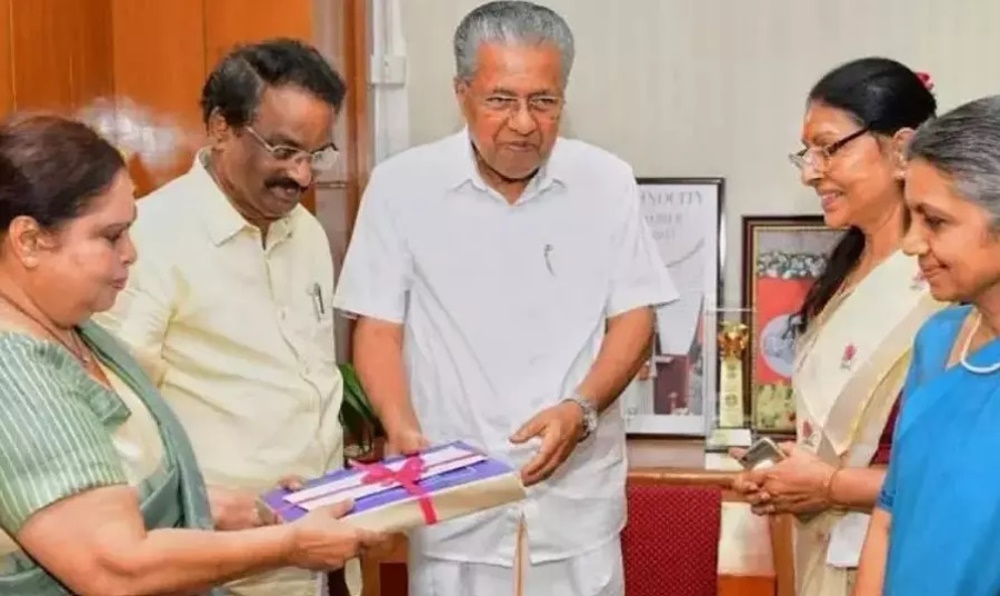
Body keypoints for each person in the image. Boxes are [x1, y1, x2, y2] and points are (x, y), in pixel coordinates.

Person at [333, 2, 677, 595]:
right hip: (455, 500)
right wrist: (401, 428)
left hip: (576, 503)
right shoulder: (401, 187)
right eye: (500, 100)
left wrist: (582, 408)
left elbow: (634, 316)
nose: (523, 122)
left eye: (543, 101)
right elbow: (378, 328)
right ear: (462, 93)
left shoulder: (606, 181)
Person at [0, 114, 385, 595]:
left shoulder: (71, 328)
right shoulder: (14, 371)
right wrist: (288, 546)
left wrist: (214, 507)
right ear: (29, 240)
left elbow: (119, 488)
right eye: (111, 236)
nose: (131, 253)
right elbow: (115, 568)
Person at [95, 39, 357, 596]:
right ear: (221, 128)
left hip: (316, 552)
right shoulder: (146, 241)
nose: (302, 176)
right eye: (284, 150)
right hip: (218, 563)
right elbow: (114, 418)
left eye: (317, 154)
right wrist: (203, 505)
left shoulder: (307, 233)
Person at [730, 57, 944, 596]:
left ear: (901, 149)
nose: (810, 172)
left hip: (900, 556)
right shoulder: (844, 274)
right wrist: (787, 473)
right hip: (823, 548)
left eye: (828, 148)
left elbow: (956, 469)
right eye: (806, 153)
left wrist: (829, 485)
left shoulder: (947, 285)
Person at [853, 95, 1000, 596]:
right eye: (911, 217)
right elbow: (891, 512)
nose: (912, 243)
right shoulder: (936, 340)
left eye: (934, 221)